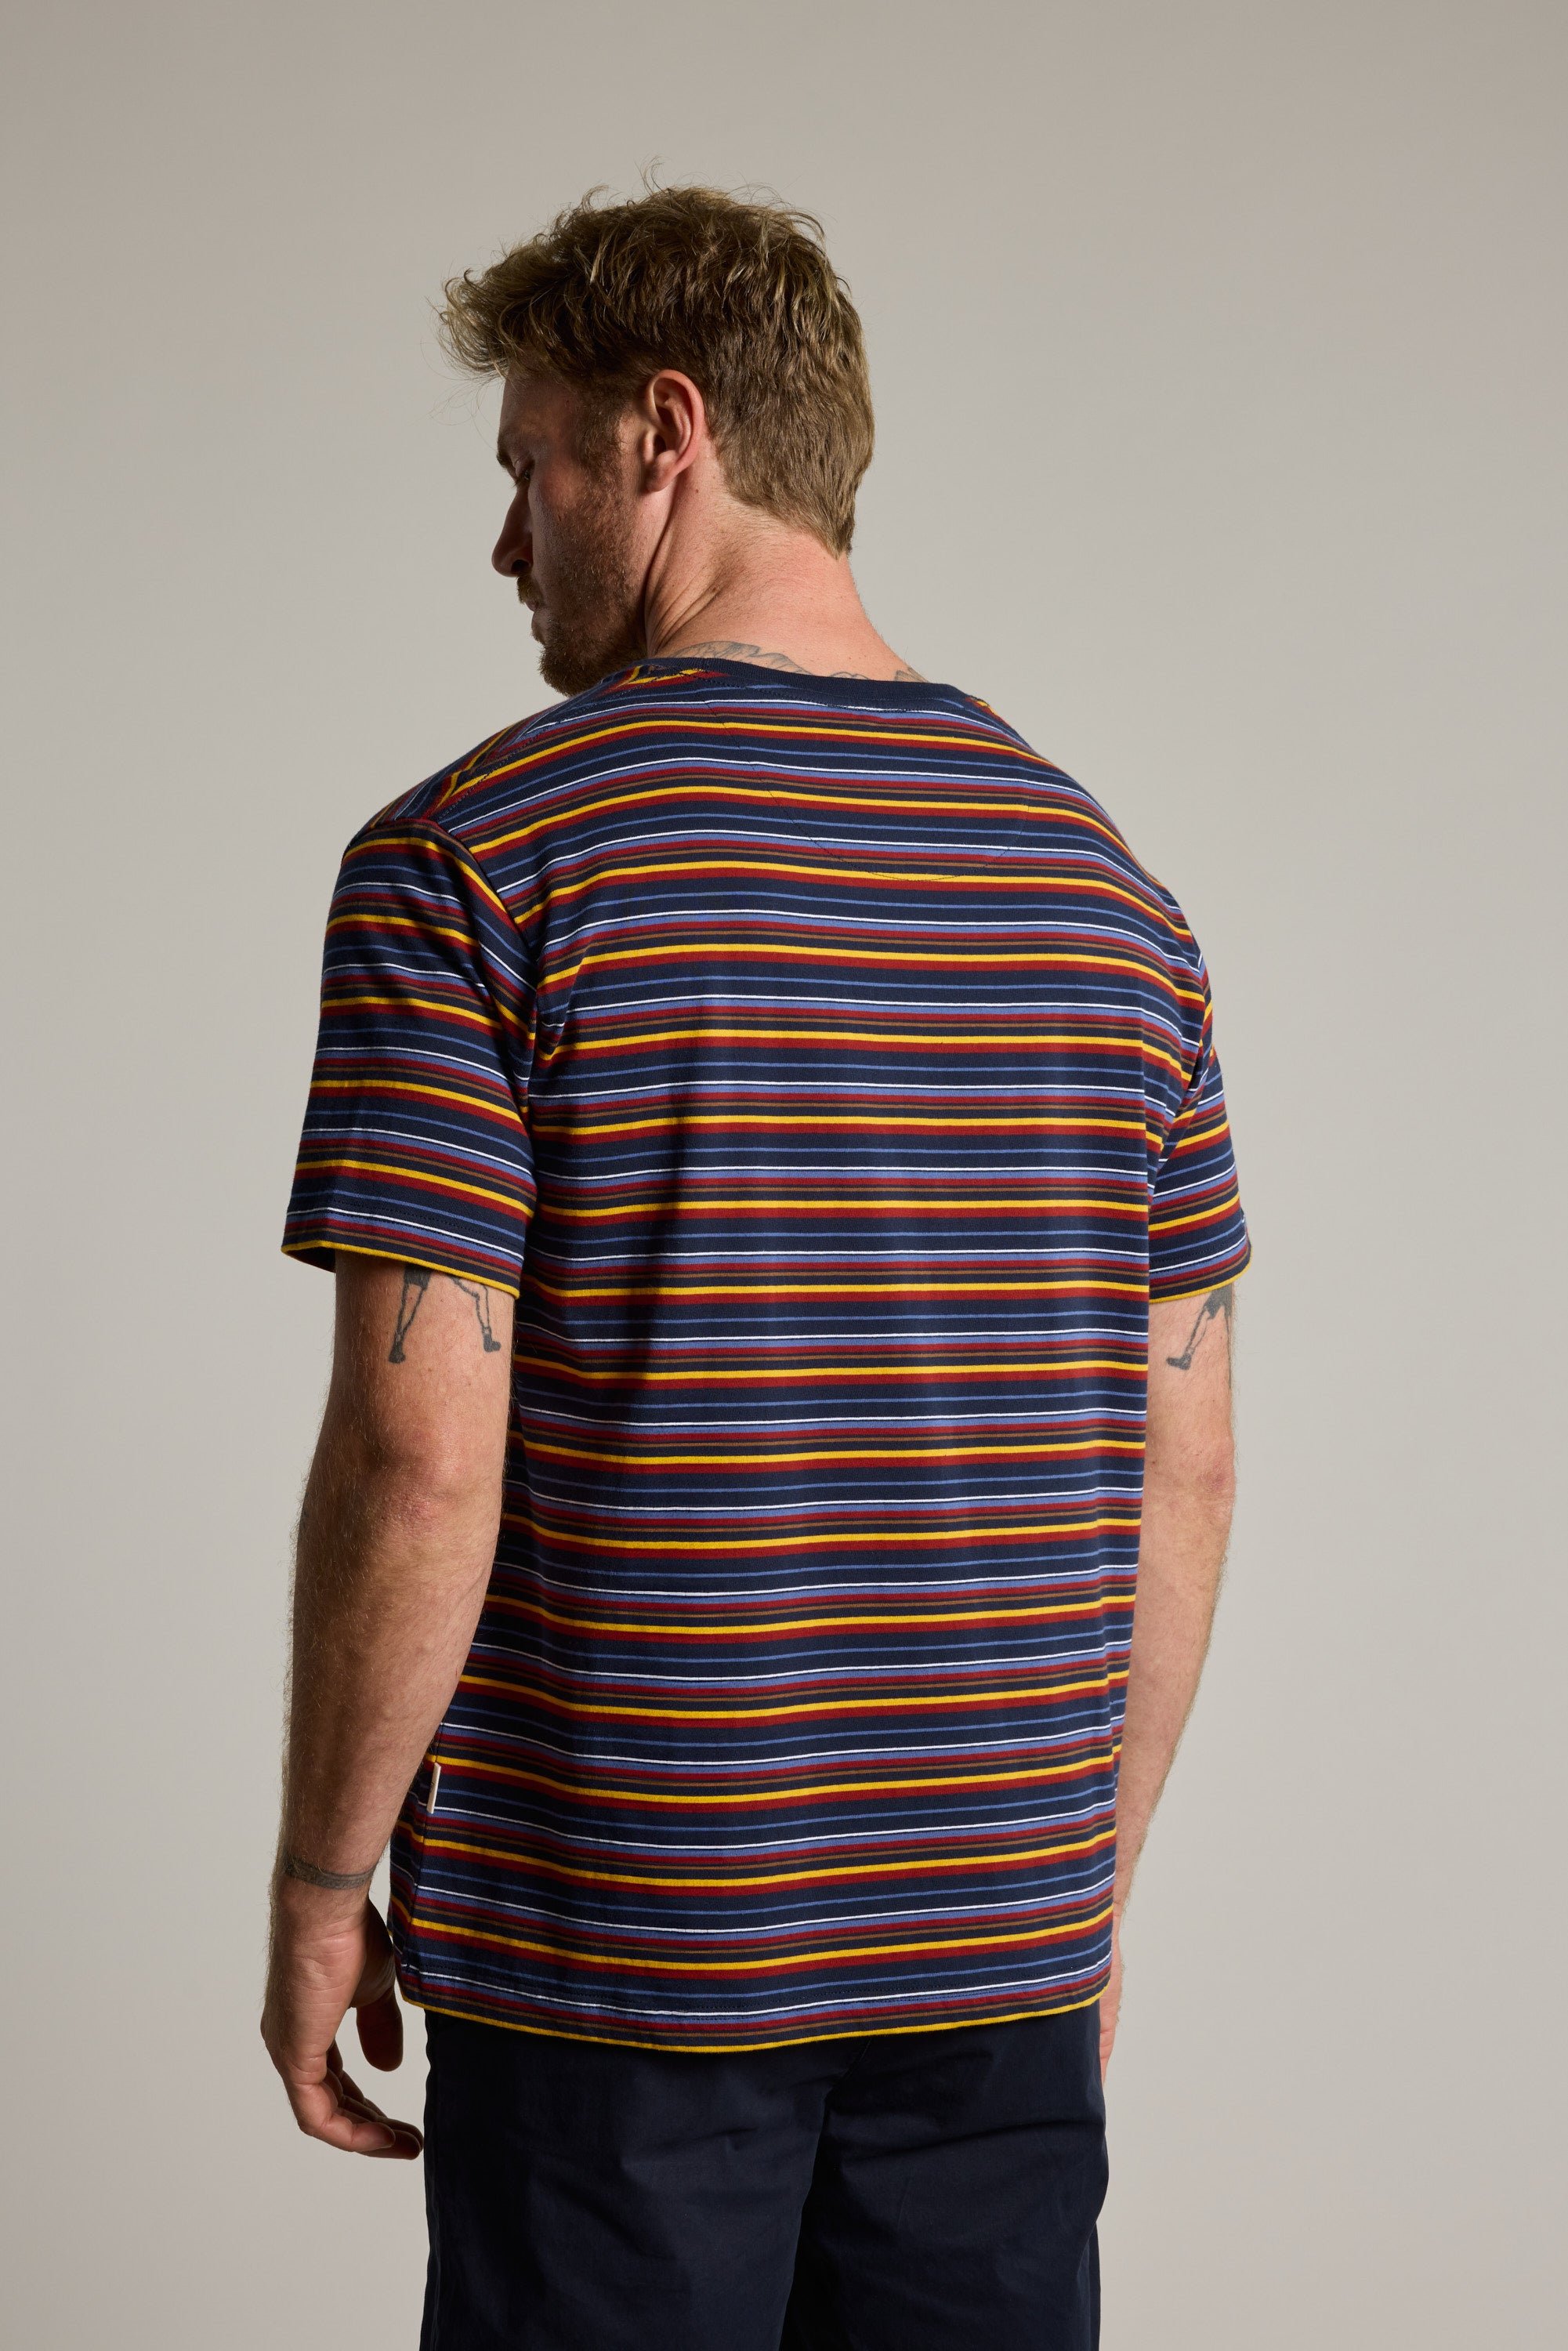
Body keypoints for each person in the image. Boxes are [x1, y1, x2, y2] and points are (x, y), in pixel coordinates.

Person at [262, 185, 1250, 2351]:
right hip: (997, 1961)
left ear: (661, 433)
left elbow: (423, 1458)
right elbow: (1181, 1471)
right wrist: (1072, 1913)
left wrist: (325, 1882)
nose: (507, 545)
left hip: (625, 1966)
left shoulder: (476, 862)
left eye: (524, 468)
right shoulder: (1108, 894)